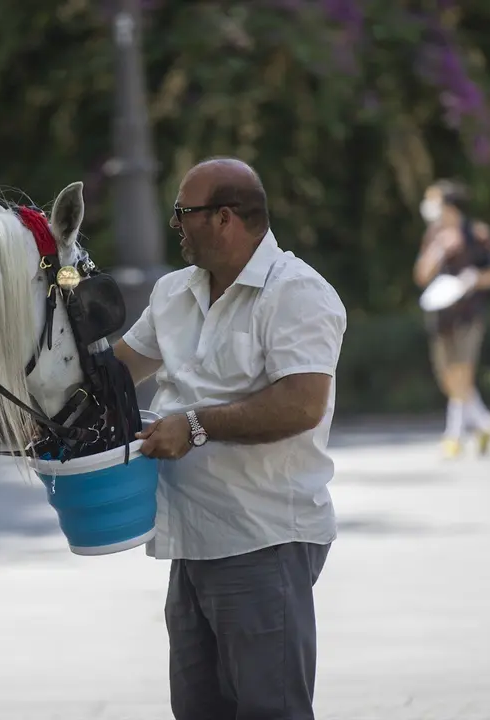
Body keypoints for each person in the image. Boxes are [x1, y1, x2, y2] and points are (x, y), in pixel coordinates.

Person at [112, 157, 346, 720]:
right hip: (189, 541)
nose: (175, 225)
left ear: (224, 218)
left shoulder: (296, 292)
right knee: (198, 711)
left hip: (263, 538)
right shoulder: (174, 292)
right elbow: (113, 375)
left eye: (181, 213)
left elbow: (302, 403)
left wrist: (195, 426)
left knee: (270, 711)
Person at [413, 180, 490, 459]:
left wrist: (474, 279)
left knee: (462, 372)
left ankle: (453, 436)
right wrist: (437, 250)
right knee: (448, 377)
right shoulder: (433, 235)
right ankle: (484, 423)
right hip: (440, 316)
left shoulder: (477, 234)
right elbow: (421, 275)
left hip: (469, 315)